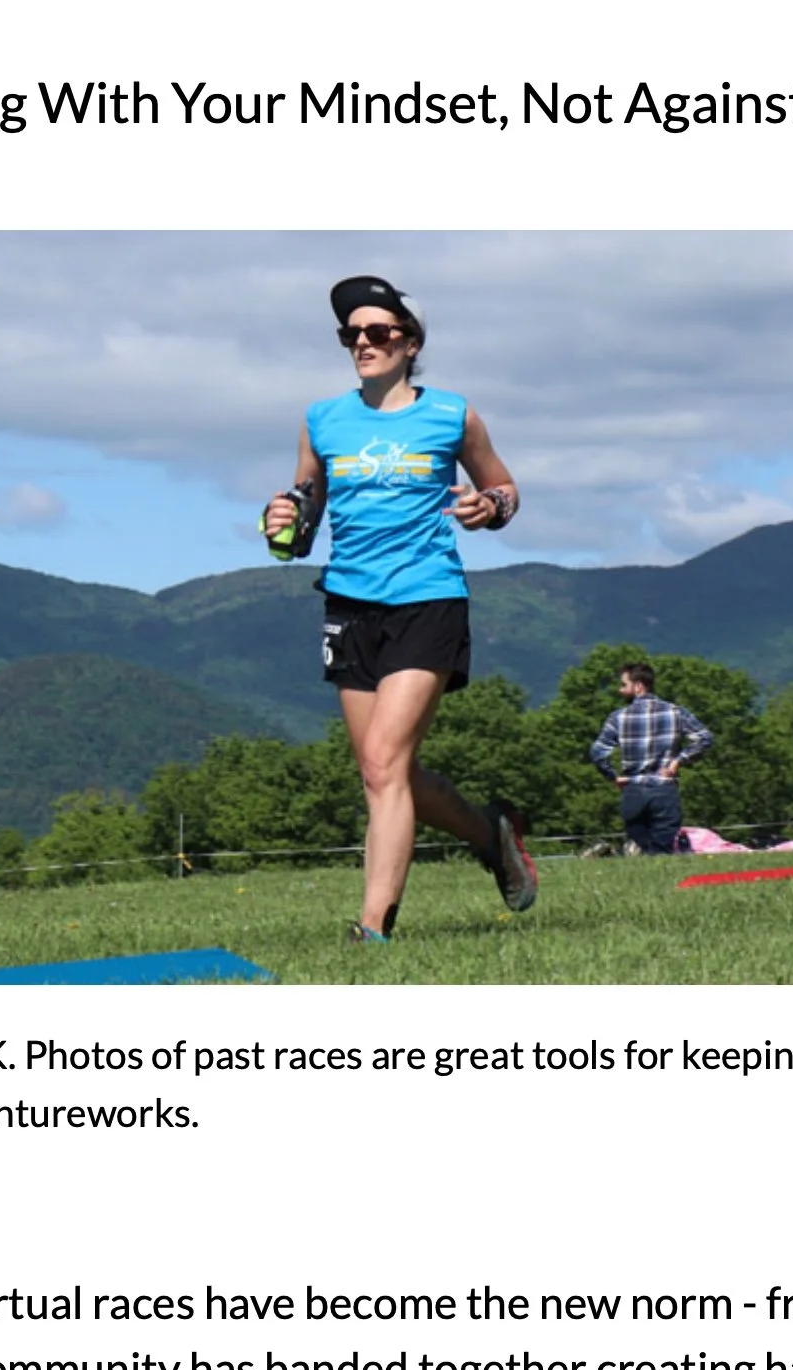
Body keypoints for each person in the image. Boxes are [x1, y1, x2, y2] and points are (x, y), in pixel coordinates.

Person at [262, 275, 537, 944]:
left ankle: (372, 928)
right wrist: (282, 518)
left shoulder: (452, 415)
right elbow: (304, 516)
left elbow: (501, 487)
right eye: (351, 334)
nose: (363, 342)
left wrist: (488, 507)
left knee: (384, 764)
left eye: (378, 332)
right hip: (349, 605)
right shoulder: (321, 419)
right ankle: (490, 836)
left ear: (410, 343)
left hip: (427, 598)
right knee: (389, 772)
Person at [589, 661, 715, 855]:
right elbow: (705, 738)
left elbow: (597, 752)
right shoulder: (676, 712)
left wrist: (613, 776)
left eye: (624, 684)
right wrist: (678, 761)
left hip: (633, 790)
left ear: (638, 686)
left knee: (643, 844)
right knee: (662, 849)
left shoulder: (618, 717)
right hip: (664, 788)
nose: (620, 689)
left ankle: (623, 859)